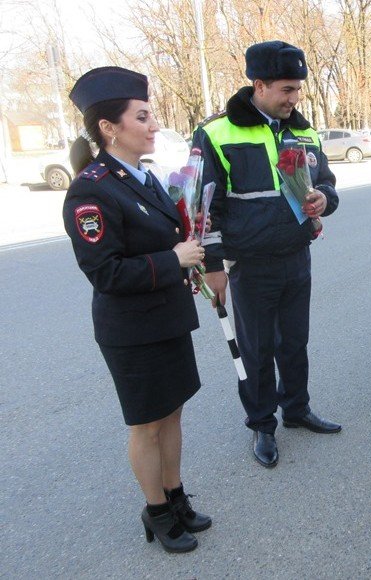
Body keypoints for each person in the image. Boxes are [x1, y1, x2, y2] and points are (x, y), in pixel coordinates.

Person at [62, 67, 211, 553]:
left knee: (172, 414)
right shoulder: (92, 189)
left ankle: (175, 494)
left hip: (165, 316)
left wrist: (185, 253)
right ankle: (157, 511)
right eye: (143, 116)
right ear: (109, 127)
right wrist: (172, 259)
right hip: (131, 329)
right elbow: (105, 272)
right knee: (147, 423)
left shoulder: (143, 178)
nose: (154, 125)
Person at [192, 41, 341, 469]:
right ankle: (262, 424)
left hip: (296, 256)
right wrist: (213, 265)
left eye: (298, 90)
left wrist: (322, 200)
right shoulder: (218, 133)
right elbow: (205, 206)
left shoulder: (304, 129)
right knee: (256, 350)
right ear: (259, 85)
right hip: (250, 264)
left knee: (294, 343)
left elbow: (328, 183)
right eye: (287, 90)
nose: (294, 99)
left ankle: (296, 409)